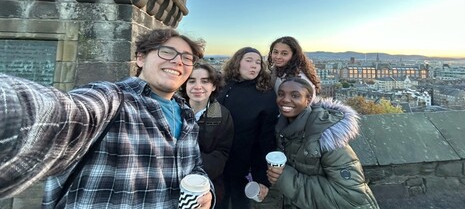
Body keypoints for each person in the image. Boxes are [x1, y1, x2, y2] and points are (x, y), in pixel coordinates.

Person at [0, 28, 214, 209]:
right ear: (140, 58)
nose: (178, 61)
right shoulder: (112, 99)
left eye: (187, 58)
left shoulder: (185, 115)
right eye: (167, 52)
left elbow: (194, 167)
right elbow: (58, 116)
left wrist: (207, 191)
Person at [266, 78, 380, 209]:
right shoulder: (282, 131)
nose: (285, 99)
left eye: (295, 95)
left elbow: (350, 197)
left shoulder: (325, 136)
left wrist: (284, 178)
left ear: (308, 100)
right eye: (281, 94)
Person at [216, 47, 278, 209]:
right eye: (249, 60)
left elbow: (266, 139)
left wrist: (261, 177)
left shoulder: (266, 95)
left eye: (258, 62)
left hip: (243, 166)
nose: (254, 66)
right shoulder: (223, 86)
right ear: (237, 63)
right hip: (216, 162)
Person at [179, 62, 234, 203]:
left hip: (204, 184)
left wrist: (193, 174)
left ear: (214, 86)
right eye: (192, 81)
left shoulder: (221, 114)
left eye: (205, 81)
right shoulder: (174, 109)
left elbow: (222, 152)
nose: (198, 86)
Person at [267, 36, 320, 101]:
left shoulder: (299, 78)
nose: (278, 56)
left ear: (294, 55)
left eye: (284, 53)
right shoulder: (275, 72)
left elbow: (307, 103)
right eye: (275, 52)